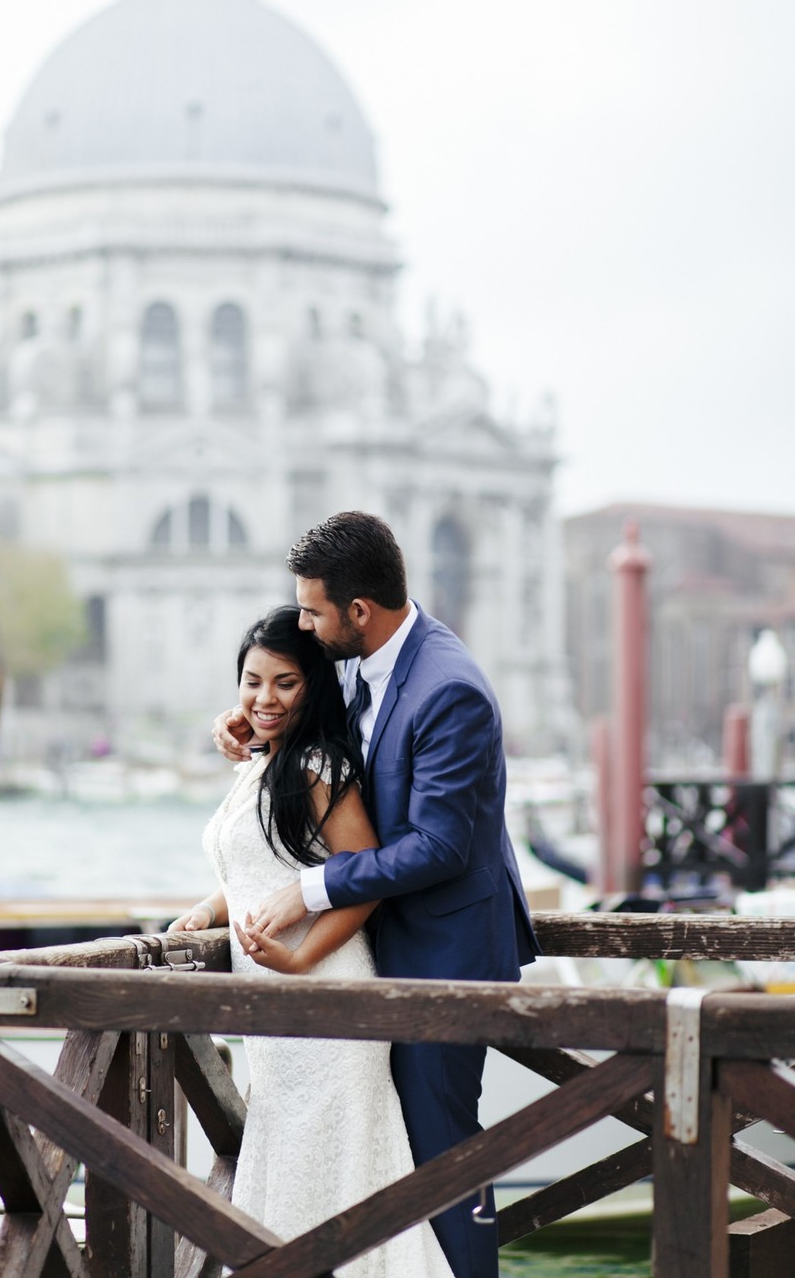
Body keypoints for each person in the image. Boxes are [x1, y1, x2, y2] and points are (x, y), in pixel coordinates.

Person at [213, 512, 539, 1278]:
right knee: (383, 1158)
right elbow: (308, 730)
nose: (303, 620)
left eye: (314, 609)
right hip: (374, 956)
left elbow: (440, 846)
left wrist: (307, 889)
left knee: (441, 1160)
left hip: (445, 959)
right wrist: (246, 726)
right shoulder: (357, 656)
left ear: (358, 611)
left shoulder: (448, 688)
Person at [175, 604, 453, 1277]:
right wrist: (210, 910)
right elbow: (268, 866)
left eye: (284, 683)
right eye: (251, 680)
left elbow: (364, 877)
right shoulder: (263, 761)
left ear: (314, 687)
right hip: (271, 1016)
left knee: (340, 1180)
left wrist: (301, 956)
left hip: (326, 1001)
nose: (263, 697)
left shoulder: (320, 763)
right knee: (286, 1176)